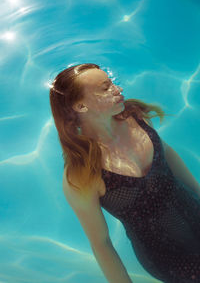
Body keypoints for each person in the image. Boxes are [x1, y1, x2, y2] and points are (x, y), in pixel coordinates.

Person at [49, 63, 200, 283]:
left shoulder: (135, 117)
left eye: (111, 83)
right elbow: (101, 244)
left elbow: (168, 154)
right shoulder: (82, 175)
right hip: (170, 258)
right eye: (105, 88)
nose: (117, 89)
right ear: (81, 106)